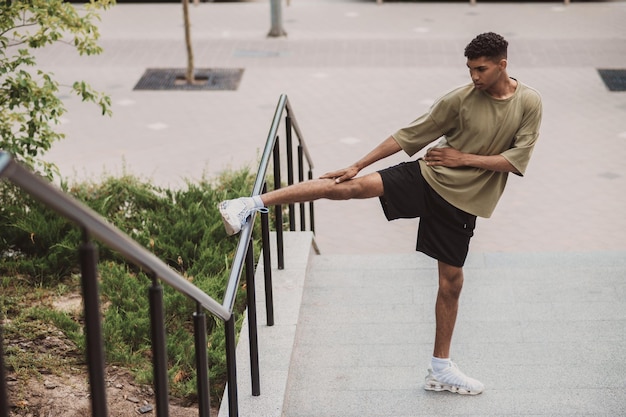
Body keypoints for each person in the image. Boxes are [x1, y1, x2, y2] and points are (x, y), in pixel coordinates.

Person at [218, 32, 542, 395]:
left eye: (481, 69)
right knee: (347, 186)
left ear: (502, 64)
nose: (474, 77)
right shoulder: (459, 99)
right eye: (469, 69)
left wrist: (463, 157)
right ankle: (249, 204)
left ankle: (440, 369)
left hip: (462, 204)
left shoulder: (528, 102)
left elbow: (516, 160)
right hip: (427, 177)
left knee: (451, 284)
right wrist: (356, 164)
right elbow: (408, 136)